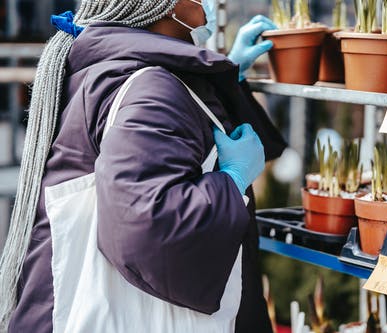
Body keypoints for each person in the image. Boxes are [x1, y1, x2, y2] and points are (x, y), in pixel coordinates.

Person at [0, 0, 286, 332]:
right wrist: (232, 180)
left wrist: (226, 79)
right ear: (165, 6)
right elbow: (149, 223)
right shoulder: (150, 87)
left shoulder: (121, 69)